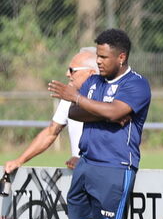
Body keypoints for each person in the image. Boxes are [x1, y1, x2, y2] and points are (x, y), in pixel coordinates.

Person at [44, 29, 152, 219]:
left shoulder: (137, 84)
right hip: (86, 162)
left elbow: (112, 110)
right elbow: (74, 112)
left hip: (115, 166)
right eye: (97, 56)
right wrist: (103, 110)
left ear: (122, 56)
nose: (99, 61)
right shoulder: (94, 82)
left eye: (104, 57)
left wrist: (83, 100)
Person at [4, 47, 98, 176]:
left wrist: (84, 160)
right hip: (79, 174)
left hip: (101, 174)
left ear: (91, 73)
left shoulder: (109, 98)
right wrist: (19, 160)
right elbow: (51, 132)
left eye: (72, 70)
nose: (67, 74)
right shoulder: (68, 97)